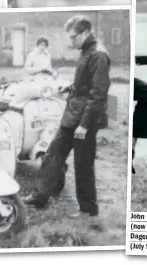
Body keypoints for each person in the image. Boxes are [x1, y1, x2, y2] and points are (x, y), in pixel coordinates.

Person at [21, 15, 111, 218]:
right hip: (72, 117)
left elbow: (98, 95)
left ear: (85, 33)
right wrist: (69, 87)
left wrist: (85, 125)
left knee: (83, 165)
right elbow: (84, 83)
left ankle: (88, 210)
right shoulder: (86, 51)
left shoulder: (99, 55)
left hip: (85, 122)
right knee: (52, 155)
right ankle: (39, 196)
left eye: (73, 37)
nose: (70, 42)